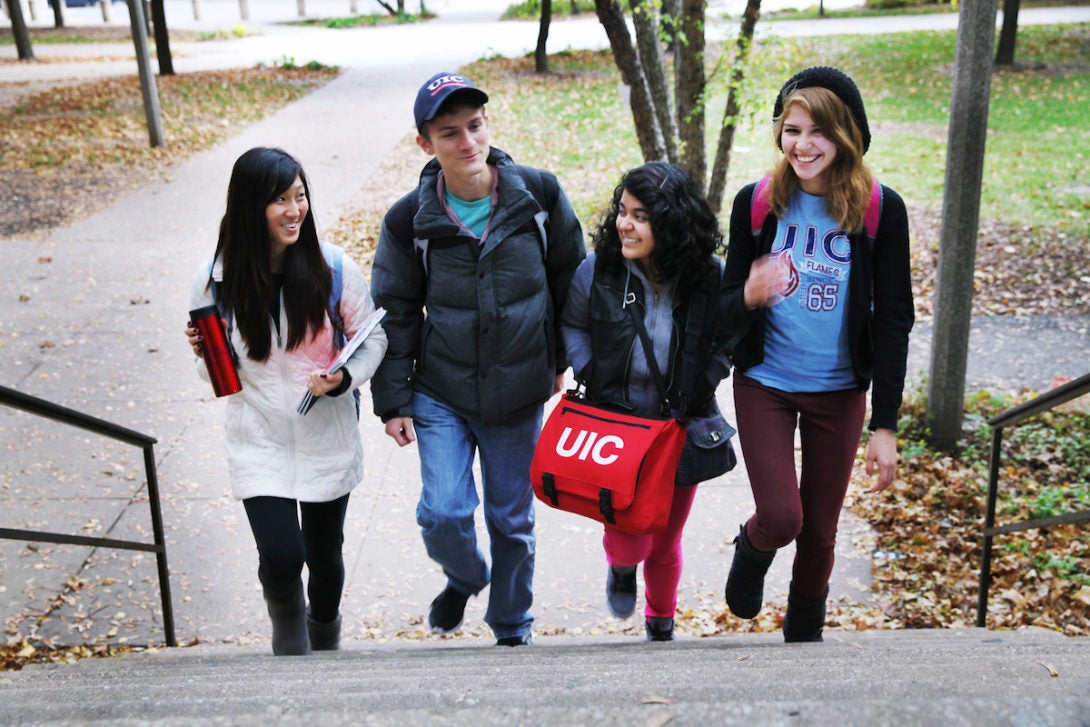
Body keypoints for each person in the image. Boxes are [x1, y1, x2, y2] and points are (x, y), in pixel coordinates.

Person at [369, 72, 586, 646]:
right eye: (449, 133)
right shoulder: (407, 221)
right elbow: (393, 311)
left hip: (517, 392)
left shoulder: (538, 196)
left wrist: (559, 359)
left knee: (512, 523)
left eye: (475, 126)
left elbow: (574, 283)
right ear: (426, 145)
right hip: (441, 390)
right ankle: (466, 576)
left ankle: (512, 624)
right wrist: (392, 400)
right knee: (443, 512)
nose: (467, 142)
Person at [720, 67, 914, 642]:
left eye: (817, 131)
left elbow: (895, 319)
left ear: (846, 136)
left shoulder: (881, 211)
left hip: (838, 392)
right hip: (766, 382)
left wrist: (885, 424)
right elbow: (725, 305)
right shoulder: (756, 204)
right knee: (783, 517)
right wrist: (749, 294)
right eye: (790, 128)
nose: (802, 144)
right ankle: (751, 548)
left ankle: (805, 634)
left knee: (821, 533)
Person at [185, 147, 388, 655]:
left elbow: (373, 339)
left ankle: (324, 632)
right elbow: (221, 376)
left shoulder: (333, 268)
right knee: (280, 555)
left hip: (326, 435)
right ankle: (290, 636)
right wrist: (204, 351)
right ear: (252, 206)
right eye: (280, 199)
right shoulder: (216, 280)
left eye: (300, 196)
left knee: (324, 557)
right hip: (260, 438)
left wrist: (343, 380)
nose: (295, 209)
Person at [561, 161, 736, 642]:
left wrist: (706, 379)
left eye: (639, 215)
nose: (624, 224)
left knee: (664, 536)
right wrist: (589, 368)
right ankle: (621, 567)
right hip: (615, 427)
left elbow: (725, 340)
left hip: (677, 426)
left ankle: (661, 620)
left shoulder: (708, 277)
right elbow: (573, 323)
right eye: (622, 211)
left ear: (671, 223)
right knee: (627, 533)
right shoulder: (598, 271)